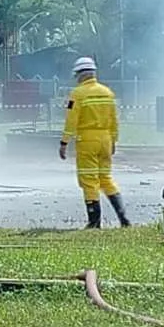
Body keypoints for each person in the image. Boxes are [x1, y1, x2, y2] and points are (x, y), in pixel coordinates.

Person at [59, 56, 130, 229]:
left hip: (87, 140)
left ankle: (94, 222)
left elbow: (71, 120)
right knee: (105, 178)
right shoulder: (107, 93)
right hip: (105, 139)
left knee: (89, 179)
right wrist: (113, 140)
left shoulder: (77, 94)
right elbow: (114, 120)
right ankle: (124, 218)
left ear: (80, 75)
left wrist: (64, 142)